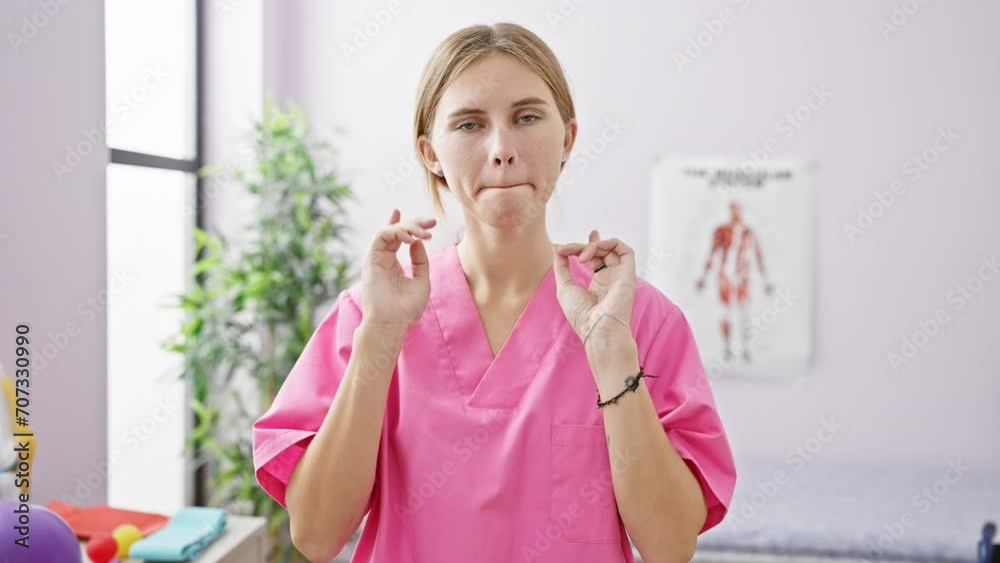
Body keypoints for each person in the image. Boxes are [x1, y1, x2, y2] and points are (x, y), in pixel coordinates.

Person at [252, 22, 736, 563]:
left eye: (527, 117)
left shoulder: (640, 319)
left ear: (568, 139)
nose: (502, 148)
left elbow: (670, 546)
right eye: (469, 124)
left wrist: (610, 353)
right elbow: (316, 536)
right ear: (430, 152)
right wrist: (381, 339)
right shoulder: (372, 315)